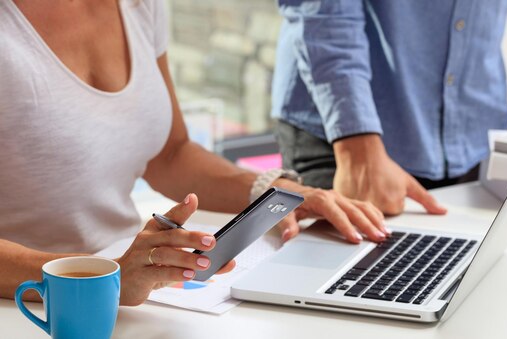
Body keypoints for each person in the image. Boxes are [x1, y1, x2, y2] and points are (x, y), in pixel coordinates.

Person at [0, 0, 387, 306]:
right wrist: (103, 277)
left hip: (128, 292)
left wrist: (276, 194)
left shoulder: (138, 5)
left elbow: (169, 153)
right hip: (27, 305)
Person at [272, 0, 507, 215]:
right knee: (344, 293)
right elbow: (324, 10)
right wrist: (357, 149)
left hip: (471, 132)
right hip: (344, 132)